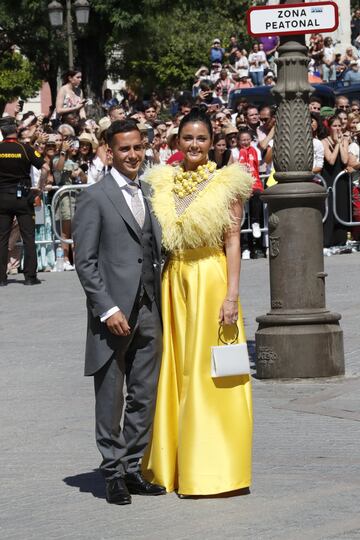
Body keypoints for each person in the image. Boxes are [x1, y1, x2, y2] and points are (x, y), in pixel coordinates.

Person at [142, 108, 253, 496]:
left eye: (201, 138)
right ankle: (171, 464)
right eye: (187, 138)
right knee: (174, 370)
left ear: (212, 143)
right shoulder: (162, 182)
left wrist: (232, 295)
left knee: (209, 373)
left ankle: (211, 467)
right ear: (177, 142)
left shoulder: (228, 183)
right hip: (174, 280)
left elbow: (233, 241)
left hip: (210, 278)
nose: (194, 145)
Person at [72, 119, 165, 505]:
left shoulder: (150, 192)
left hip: (149, 308)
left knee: (144, 394)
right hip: (114, 313)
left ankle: (131, 468)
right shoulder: (94, 196)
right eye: (124, 149)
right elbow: (86, 261)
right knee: (110, 396)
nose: (132, 156)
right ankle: (111, 473)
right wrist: (107, 307)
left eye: (137, 148)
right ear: (110, 152)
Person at [0, 117, 48, 286]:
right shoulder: (25, 148)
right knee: (28, 237)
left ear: (2, 132)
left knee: (2, 238)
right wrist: (39, 188)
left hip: (3, 197)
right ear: (15, 130)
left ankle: (1, 278)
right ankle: (30, 277)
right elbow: (45, 168)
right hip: (23, 197)